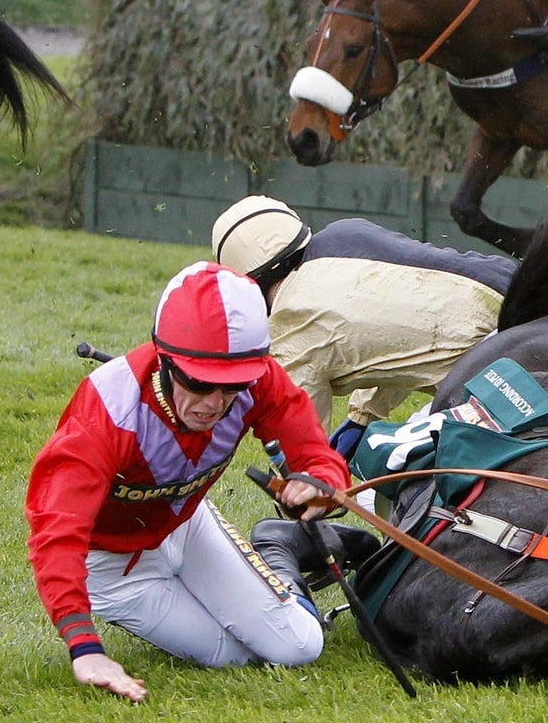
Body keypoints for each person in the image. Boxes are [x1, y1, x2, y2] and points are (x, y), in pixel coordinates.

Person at [25, 262, 355, 704]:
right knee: (232, 657)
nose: (214, 404)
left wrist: (320, 483)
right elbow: (57, 532)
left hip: (188, 524)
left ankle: (279, 551)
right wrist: (84, 647)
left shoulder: (259, 380)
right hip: (114, 568)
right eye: (199, 382)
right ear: (164, 359)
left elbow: (315, 452)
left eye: (233, 386)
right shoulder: (107, 412)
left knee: (298, 647)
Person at [210, 195, 517, 426]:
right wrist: (360, 417)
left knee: (391, 467)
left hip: (500, 363)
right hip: (520, 294)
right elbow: (401, 332)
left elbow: (304, 441)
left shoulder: (292, 320)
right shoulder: (346, 234)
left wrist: (294, 489)